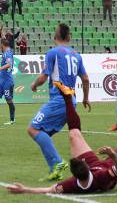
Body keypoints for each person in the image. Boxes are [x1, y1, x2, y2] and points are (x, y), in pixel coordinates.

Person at [8, 84, 117, 194]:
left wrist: (24, 189)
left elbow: (48, 189)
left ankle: (67, 97)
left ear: (74, 176)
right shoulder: (103, 177)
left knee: (73, 135)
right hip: (110, 164)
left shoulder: (72, 184)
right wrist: (112, 154)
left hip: (95, 166)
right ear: (86, 166)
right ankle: (67, 97)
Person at [28, 23, 90, 181]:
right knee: (45, 134)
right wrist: (85, 98)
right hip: (71, 101)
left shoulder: (52, 53)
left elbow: (43, 77)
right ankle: (54, 170)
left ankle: (57, 162)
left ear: (55, 37)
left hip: (59, 99)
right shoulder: (76, 55)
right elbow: (85, 79)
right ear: (69, 37)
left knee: (33, 129)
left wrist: (34, 85)